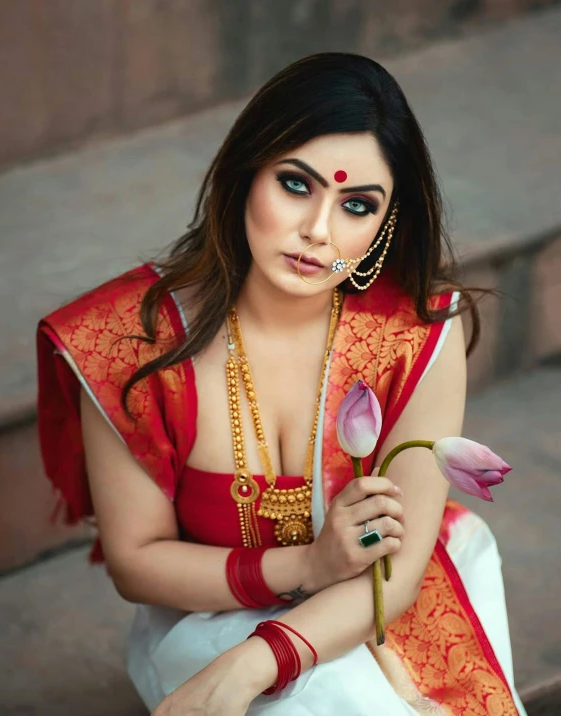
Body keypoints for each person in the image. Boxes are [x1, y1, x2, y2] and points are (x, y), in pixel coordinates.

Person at [36, 53, 527, 715]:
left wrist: (257, 662)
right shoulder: (132, 341)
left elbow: (397, 569)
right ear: (247, 172)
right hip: (210, 618)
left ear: (385, 226)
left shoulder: (414, 336)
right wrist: (301, 569)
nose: (318, 231)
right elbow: (136, 561)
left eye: (356, 204)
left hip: (377, 602)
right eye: (296, 184)